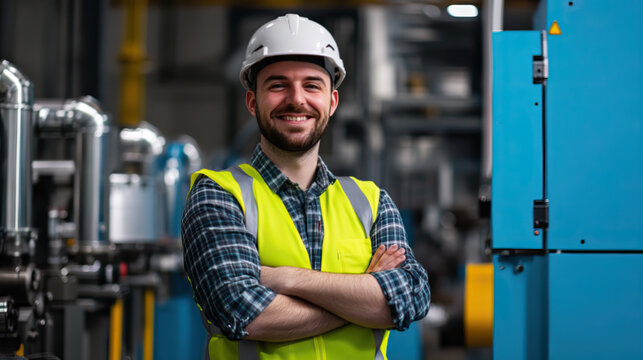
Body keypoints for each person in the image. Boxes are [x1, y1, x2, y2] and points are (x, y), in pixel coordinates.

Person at [182, 13, 430, 360]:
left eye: (312, 84)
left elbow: (410, 299)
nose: (296, 99)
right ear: (253, 102)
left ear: (332, 102)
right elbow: (243, 312)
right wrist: (364, 301)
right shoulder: (219, 196)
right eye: (278, 84)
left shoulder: (371, 202)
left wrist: (289, 280)